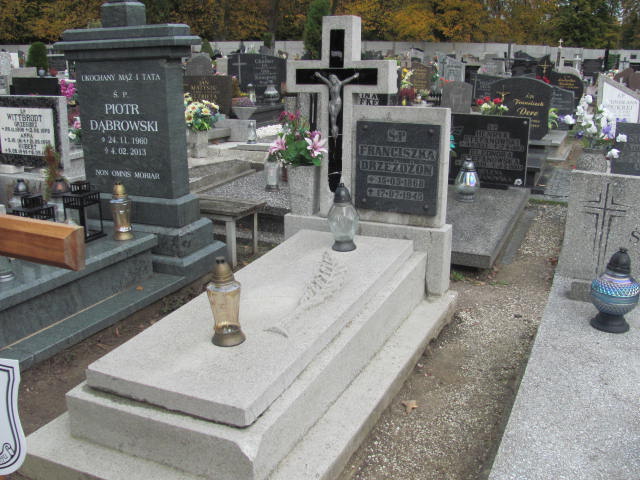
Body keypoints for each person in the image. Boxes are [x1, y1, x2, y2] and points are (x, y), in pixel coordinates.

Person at [314, 71, 359, 140]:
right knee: (332, 116)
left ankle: (335, 130)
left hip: (337, 102)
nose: (332, 81)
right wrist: (319, 76)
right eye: (331, 79)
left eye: (333, 79)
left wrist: (354, 76)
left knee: (335, 115)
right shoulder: (330, 85)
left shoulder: (339, 84)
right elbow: (325, 80)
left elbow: (346, 80)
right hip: (332, 102)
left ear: (335, 78)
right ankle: (334, 129)